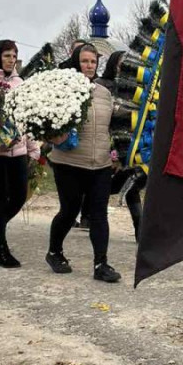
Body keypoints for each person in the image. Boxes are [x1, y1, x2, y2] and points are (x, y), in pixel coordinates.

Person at [46, 43, 121, 282]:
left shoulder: (104, 93)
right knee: (69, 211)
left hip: (99, 163)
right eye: (85, 61)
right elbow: (46, 122)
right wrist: (53, 135)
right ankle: (54, 252)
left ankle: (101, 264)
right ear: (76, 62)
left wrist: (115, 155)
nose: (89, 66)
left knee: (99, 214)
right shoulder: (63, 89)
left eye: (93, 62)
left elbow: (112, 128)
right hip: (68, 163)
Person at [0, 40, 41, 268]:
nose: (11, 60)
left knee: (20, 195)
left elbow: (26, 117)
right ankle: (0, 249)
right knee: (0, 196)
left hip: (18, 148)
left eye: (14, 56)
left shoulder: (19, 82)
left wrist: (32, 147)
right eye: (6, 56)